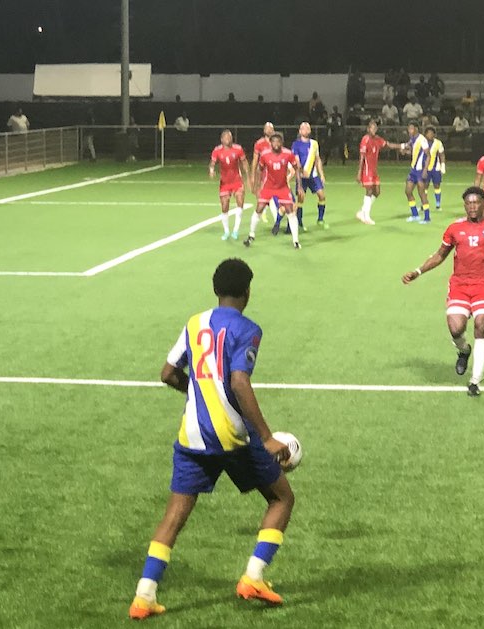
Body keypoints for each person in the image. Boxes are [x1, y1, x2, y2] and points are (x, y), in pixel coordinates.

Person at [128, 258, 295, 620]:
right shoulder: (248, 329)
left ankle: (144, 596)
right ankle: (253, 577)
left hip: (192, 436)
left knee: (174, 516)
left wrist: (196, 393)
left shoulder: (194, 323)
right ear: (247, 292)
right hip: (232, 437)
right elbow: (239, 381)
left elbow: (168, 373)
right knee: (281, 498)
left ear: (215, 290)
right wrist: (267, 437)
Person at [401, 187, 484, 397]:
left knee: (482, 324)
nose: (472, 206)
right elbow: (440, 255)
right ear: (465, 205)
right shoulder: (455, 228)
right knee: (456, 328)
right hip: (459, 286)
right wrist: (418, 271)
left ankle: (475, 381)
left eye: (476, 202)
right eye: (468, 203)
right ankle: (464, 350)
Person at [246, 133, 302, 249]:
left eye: (278, 141)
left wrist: (299, 186)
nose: (276, 144)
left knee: (290, 211)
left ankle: (296, 241)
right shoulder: (265, 154)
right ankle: (251, 235)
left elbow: (296, 169)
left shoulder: (288, 153)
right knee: (259, 208)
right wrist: (258, 186)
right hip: (268, 187)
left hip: (283, 187)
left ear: (282, 143)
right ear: (270, 143)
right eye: (274, 141)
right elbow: (259, 170)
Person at [209, 130, 249, 241]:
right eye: (226, 137)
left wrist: (247, 174)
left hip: (237, 181)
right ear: (221, 139)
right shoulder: (217, 150)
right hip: (225, 183)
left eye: (230, 137)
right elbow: (212, 163)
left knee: (240, 202)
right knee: (224, 206)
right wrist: (211, 170)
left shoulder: (238, 149)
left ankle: (236, 230)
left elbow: (244, 161)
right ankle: (226, 231)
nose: (228, 139)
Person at [389, 122, 432, 223]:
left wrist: (425, 170)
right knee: (408, 191)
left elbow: (428, 155)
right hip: (413, 170)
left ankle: (427, 217)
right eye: (408, 129)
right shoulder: (412, 139)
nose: (409, 131)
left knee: (422, 194)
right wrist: (405, 152)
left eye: (411, 129)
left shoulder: (422, 140)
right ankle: (415, 215)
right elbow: (413, 151)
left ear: (416, 129)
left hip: (420, 170)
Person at [289, 122, 329, 231]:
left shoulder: (314, 144)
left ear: (310, 130)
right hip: (302, 176)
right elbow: (296, 161)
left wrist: (321, 174)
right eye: (303, 128)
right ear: (299, 131)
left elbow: (317, 159)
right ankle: (300, 223)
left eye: (307, 128)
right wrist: (300, 173)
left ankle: (320, 219)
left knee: (322, 196)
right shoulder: (296, 144)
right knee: (301, 198)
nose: (305, 130)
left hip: (314, 176)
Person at [354, 118, 393, 225]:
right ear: (368, 129)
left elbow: (388, 145)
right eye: (372, 128)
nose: (374, 130)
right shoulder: (365, 139)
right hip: (367, 170)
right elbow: (362, 157)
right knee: (369, 191)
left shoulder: (377, 139)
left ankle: (362, 211)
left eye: (375, 128)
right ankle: (366, 216)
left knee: (377, 192)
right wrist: (359, 172)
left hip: (374, 170)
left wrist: (402, 146)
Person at [250, 123, 276, 224]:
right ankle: (264, 212)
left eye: (270, 128)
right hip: (263, 172)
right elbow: (255, 160)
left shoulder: (276, 142)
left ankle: (273, 215)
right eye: (266, 128)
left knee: (274, 195)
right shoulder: (259, 143)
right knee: (261, 192)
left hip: (274, 172)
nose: (268, 130)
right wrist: (253, 175)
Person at [424, 126, 446, 215]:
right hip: (425, 168)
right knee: (424, 186)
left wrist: (443, 165)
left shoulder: (438, 143)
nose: (430, 135)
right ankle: (423, 203)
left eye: (432, 133)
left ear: (434, 134)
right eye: (428, 133)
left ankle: (438, 204)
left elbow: (442, 154)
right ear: (425, 134)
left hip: (435, 168)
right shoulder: (423, 143)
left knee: (437, 185)